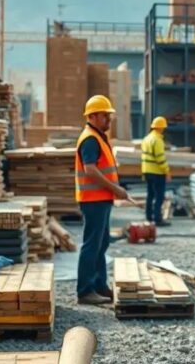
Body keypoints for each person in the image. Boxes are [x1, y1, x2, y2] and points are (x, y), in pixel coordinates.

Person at [75, 95, 128, 305]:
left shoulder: (97, 136)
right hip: (93, 200)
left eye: (109, 115)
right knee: (92, 244)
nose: (109, 119)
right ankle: (85, 290)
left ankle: (99, 285)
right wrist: (115, 188)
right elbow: (90, 170)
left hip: (101, 199)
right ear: (93, 116)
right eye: (105, 115)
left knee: (101, 243)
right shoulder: (90, 139)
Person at [141, 116, 171, 227]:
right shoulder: (157, 140)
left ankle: (149, 216)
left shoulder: (146, 139)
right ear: (161, 128)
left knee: (150, 195)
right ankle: (157, 219)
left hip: (147, 171)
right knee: (159, 196)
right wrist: (167, 172)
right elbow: (160, 158)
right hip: (157, 172)